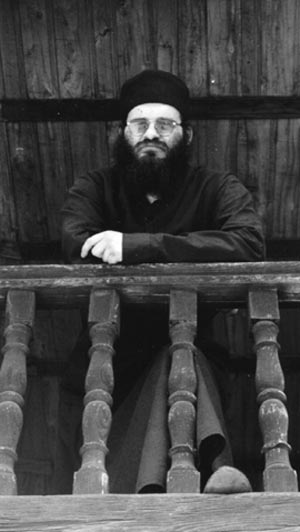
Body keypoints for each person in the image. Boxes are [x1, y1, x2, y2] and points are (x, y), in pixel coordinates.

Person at [59, 70, 265, 494]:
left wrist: (139, 245)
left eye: (165, 125)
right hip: (113, 372)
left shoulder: (214, 187)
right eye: (140, 124)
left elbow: (247, 242)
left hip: (193, 361)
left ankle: (170, 483)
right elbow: (77, 244)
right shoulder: (94, 188)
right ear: (123, 133)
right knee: (174, 360)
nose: (151, 134)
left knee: (180, 356)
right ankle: (215, 467)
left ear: (185, 136)